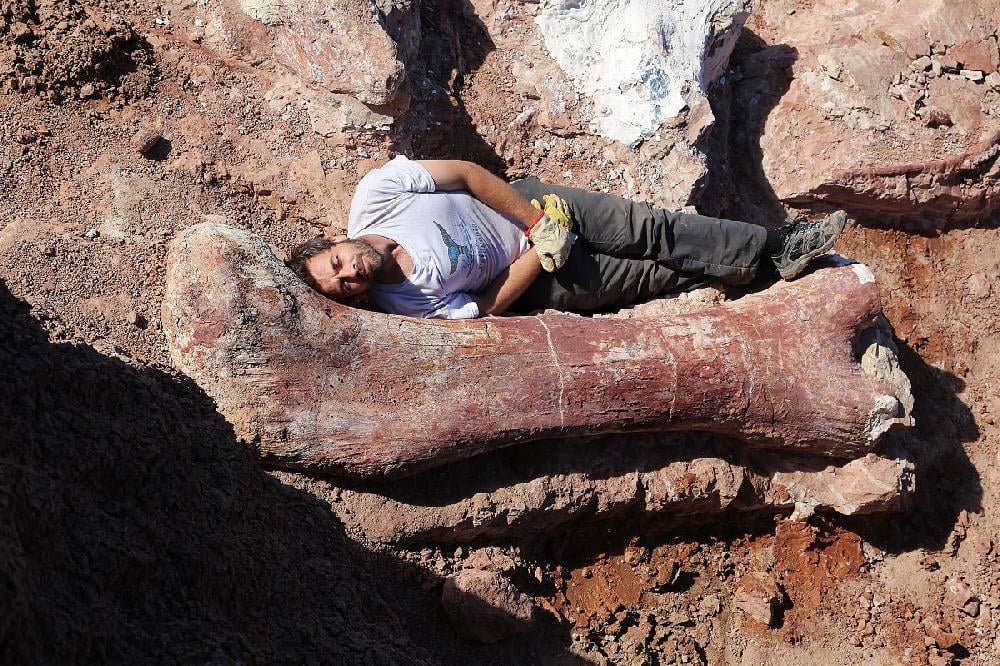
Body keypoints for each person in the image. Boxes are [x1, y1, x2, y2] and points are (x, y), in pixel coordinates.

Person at [286, 156, 846, 319]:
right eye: (343, 287)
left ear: (334, 241)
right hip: (539, 276)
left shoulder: (376, 197)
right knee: (648, 279)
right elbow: (481, 306)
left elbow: (464, 174)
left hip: (534, 207)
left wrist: (537, 222)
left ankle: (775, 246)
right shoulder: (401, 302)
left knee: (654, 230)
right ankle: (768, 277)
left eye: (335, 263)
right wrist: (537, 254)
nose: (350, 274)